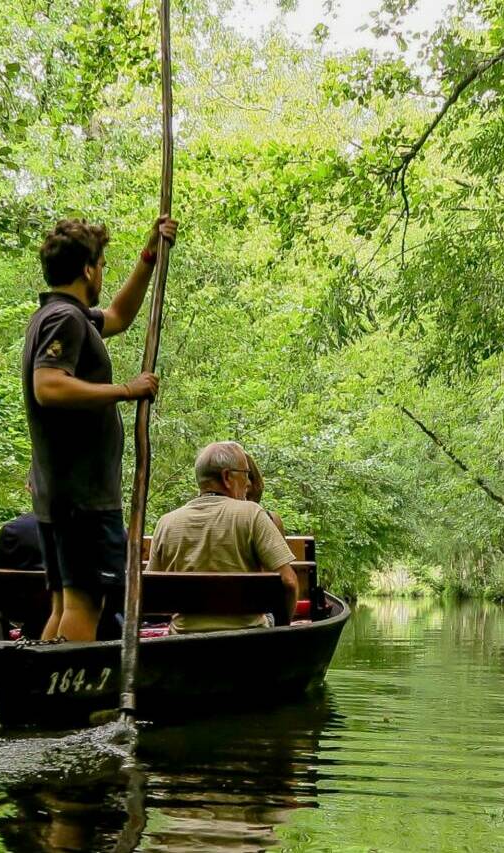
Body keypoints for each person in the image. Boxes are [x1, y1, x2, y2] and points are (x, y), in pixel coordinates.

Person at [25, 215, 177, 643]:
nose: (104, 272)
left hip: (61, 495)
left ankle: (46, 699)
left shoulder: (59, 316)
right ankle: (69, 706)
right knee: (83, 605)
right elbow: (48, 386)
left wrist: (149, 257)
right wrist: (126, 390)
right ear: (89, 269)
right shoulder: (65, 321)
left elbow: (119, 315)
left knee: (65, 605)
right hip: (82, 498)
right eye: (104, 265)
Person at [147, 441, 302, 633]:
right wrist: (282, 630)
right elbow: (289, 582)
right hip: (248, 637)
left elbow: (151, 591)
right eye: (245, 474)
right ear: (227, 477)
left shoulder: (166, 522)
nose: (248, 483)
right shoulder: (252, 514)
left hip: (184, 641)